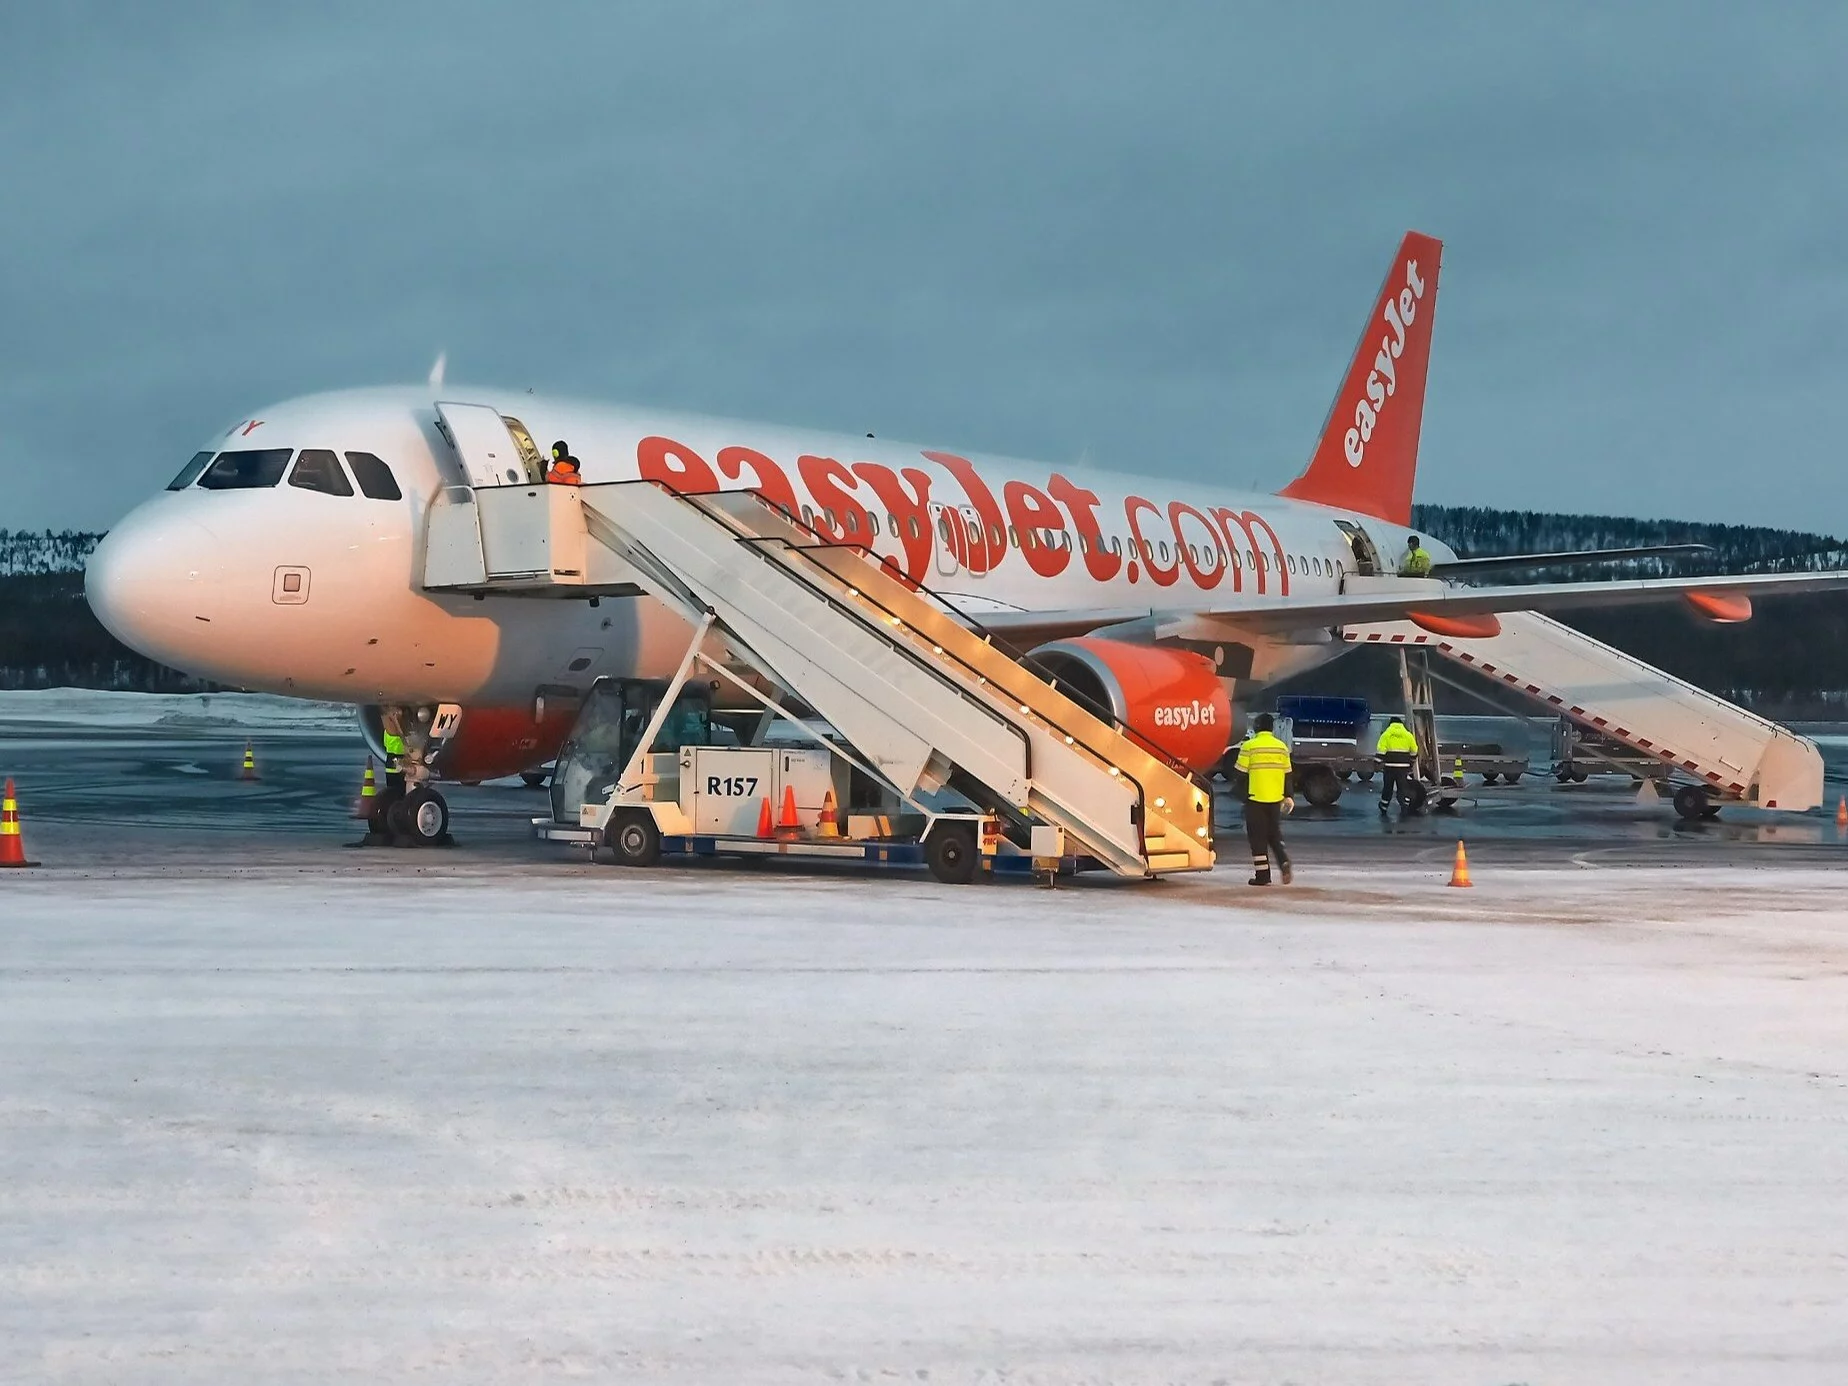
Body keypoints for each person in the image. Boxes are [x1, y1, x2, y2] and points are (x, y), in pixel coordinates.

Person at [1234, 713, 1293, 885]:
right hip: (1275, 799)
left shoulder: (1249, 746)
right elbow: (1288, 774)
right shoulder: (1281, 747)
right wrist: (1288, 796)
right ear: (1272, 728)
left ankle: (1263, 875)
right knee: (1274, 834)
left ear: (1257, 726)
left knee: (1257, 838)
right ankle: (1283, 861)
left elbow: (1239, 773)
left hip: (1255, 798)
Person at [1375, 714, 1419, 813]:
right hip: (1403, 768)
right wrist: (1411, 762)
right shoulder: (1408, 735)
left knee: (1388, 788)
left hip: (1389, 767)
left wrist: (1377, 763)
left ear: (1390, 724)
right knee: (1403, 787)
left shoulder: (1386, 734)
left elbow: (1381, 750)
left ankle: (1384, 806)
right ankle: (1405, 805)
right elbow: (1414, 750)